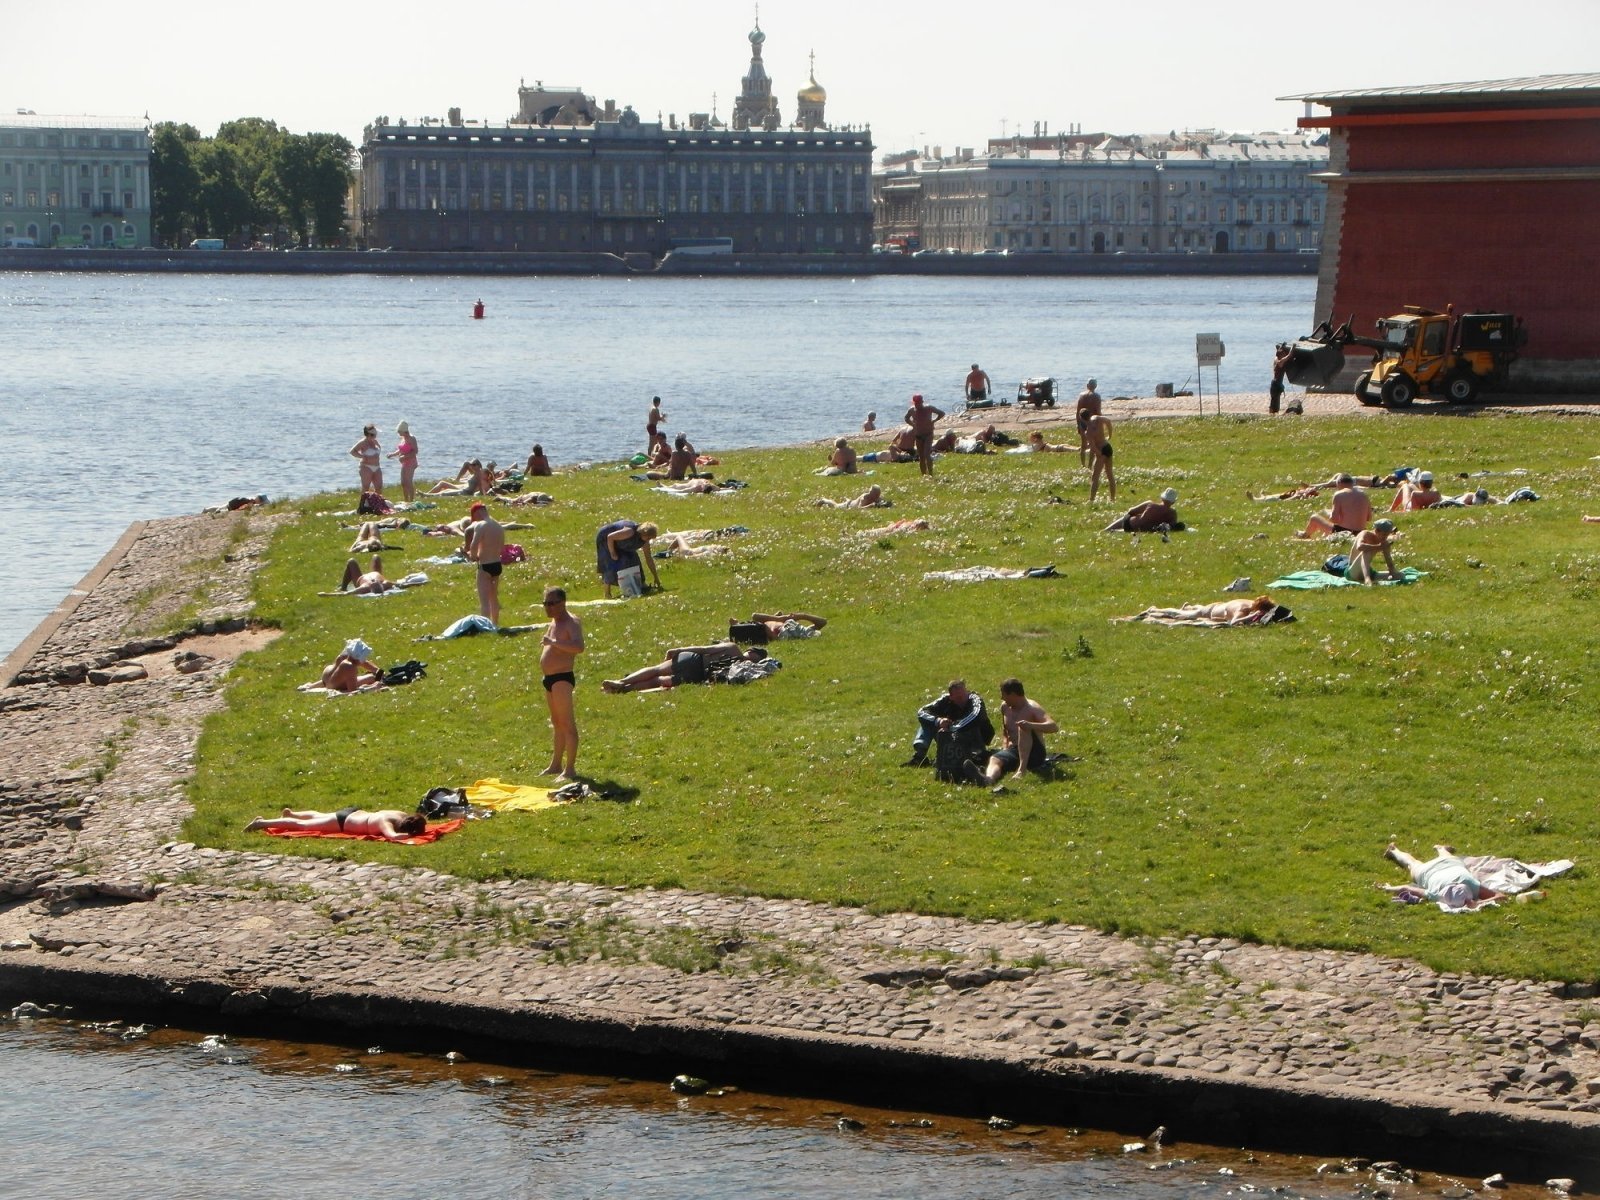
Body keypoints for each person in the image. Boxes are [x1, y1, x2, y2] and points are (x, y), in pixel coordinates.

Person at [970, 678, 1060, 787]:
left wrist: (1030, 725)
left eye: (1003, 694)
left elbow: (1053, 727)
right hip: (1015, 749)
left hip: (1035, 753)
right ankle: (987, 780)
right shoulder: (1005, 707)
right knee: (994, 759)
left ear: (1012, 694)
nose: (1001, 698)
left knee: (1023, 727)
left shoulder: (1032, 708)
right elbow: (1006, 730)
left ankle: (1021, 770)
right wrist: (1005, 746)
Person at [538, 586, 584, 780]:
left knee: (567, 723)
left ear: (562, 603)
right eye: (545, 604)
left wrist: (554, 643)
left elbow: (578, 647)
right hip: (549, 678)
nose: (548, 608)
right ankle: (555, 764)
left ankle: (570, 768)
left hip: (562, 678)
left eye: (551, 603)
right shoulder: (553, 622)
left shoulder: (571, 622)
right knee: (556, 723)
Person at [601, 642, 767, 693]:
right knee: (658, 679)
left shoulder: (734, 648)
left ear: (750, 651)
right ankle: (624, 688)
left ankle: (623, 683)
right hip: (697, 675)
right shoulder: (748, 670)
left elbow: (706, 650)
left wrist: (680, 650)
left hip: (695, 663)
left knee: (657, 671)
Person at [1381, 844, 1503, 909]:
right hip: (1433, 869)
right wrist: (1481, 903)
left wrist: (1389, 888)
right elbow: (1500, 896)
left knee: (1412, 863)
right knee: (1414, 864)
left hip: (1430, 870)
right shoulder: (1438, 895)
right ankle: (1440, 848)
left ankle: (1394, 850)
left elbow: (1408, 889)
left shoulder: (1439, 894)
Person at [905, 679, 990, 767]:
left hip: (974, 740)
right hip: (949, 737)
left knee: (973, 728)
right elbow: (922, 712)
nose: (963, 699)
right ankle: (919, 757)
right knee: (928, 722)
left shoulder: (975, 700)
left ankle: (952, 758)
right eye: (958, 698)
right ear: (951, 697)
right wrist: (938, 721)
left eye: (964, 695)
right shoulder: (945, 700)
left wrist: (950, 728)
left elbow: (974, 717)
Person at [246, 807, 427, 841]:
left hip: (353, 813)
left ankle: (292, 813)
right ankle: (262, 823)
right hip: (344, 822)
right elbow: (393, 836)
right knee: (304, 827)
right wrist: (410, 836)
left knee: (319, 816)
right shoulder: (385, 822)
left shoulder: (398, 814)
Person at [595, 519, 661, 598]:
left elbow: (648, 558)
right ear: (644, 533)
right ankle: (607, 593)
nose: (648, 540)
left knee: (634, 559)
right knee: (611, 563)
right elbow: (610, 537)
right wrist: (612, 553)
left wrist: (656, 577)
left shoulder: (644, 540)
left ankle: (641, 585)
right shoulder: (629, 532)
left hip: (621, 542)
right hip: (605, 538)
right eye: (648, 538)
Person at [464, 502, 506, 624]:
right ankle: (495, 624)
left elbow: (474, 545)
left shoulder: (481, 525)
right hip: (497, 564)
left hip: (485, 565)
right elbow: (501, 547)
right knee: (494, 598)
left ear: (477, 513)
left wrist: (473, 556)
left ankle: (486, 626)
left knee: (484, 600)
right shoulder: (498, 526)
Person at [1298, 474, 1373, 539]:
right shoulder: (1363, 494)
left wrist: (1328, 513)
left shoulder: (1339, 494)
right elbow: (1369, 518)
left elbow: (1334, 519)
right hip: (1360, 533)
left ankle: (1305, 534)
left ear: (1338, 483)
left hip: (1344, 532)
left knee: (1314, 518)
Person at [1130, 596, 1275, 624]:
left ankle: (1191, 606)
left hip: (1218, 606)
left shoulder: (1251, 603)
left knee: (1190, 611)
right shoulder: (1243, 609)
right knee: (1181, 615)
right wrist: (1251, 617)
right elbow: (1234, 622)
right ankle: (1155, 609)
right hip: (1209, 611)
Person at [311, 641, 382, 692]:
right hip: (332, 685)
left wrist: (378, 670)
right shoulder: (350, 667)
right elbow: (353, 690)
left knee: (371, 675)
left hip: (326, 678)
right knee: (371, 678)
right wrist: (373, 687)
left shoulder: (345, 657)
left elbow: (363, 662)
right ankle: (377, 676)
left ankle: (311, 686)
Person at [1346, 519, 1400, 584]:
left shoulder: (1383, 541)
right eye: (1384, 534)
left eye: (1387, 535)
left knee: (1401, 575)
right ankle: (1367, 579)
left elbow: (1388, 560)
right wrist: (1378, 547)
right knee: (1367, 550)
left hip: (1369, 571)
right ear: (1376, 531)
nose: (1385, 537)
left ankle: (1368, 578)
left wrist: (1392, 572)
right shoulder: (1365, 534)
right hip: (1352, 572)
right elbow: (1360, 547)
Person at [904, 394, 946, 477]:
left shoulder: (929, 408)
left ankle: (931, 474)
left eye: (918, 403)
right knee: (921, 457)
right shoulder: (912, 410)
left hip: (928, 434)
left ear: (922, 402)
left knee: (927, 454)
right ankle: (924, 475)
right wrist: (912, 424)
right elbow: (906, 418)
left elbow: (941, 413)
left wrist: (934, 420)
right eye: (915, 403)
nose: (917, 405)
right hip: (918, 435)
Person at [1104, 488, 1182, 533]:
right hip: (1145, 530)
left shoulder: (1150, 504)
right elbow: (1171, 526)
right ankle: (1118, 531)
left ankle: (1107, 530)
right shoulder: (1172, 514)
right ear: (1173, 502)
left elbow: (1131, 511)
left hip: (1131, 524)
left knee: (1126, 517)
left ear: (1162, 498)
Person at [1084, 411, 1116, 502]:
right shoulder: (1097, 418)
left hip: (1101, 450)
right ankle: (1112, 498)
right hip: (1107, 446)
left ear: (1082, 419)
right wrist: (1109, 434)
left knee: (1095, 477)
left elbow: (1093, 447)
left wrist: (1099, 455)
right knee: (1110, 474)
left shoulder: (1088, 432)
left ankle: (1091, 499)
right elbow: (1108, 422)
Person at [734, 611, 827, 640]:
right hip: (786, 630)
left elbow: (822, 622)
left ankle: (735, 627)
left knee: (806, 633)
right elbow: (822, 622)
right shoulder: (762, 629)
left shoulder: (767, 624)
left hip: (788, 629)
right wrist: (802, 616)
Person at [387, 420, 419, 502]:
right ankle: (406, 500)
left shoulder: (411, 438)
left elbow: (415, 451)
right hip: (404, 462)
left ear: (405, 431)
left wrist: (404, 457)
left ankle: (411, 500)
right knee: (403, 482)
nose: (399, 434)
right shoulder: (403, 438)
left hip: (411, 462)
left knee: (408, 481)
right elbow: (400, 450)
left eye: (399, 432)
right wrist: (392, 454)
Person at [327, 555, 391, 595]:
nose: (373, 580)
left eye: (373, 582)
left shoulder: (364, 587)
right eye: (375, 581)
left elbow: (347, 594)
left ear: (370, 588)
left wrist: (326, 594)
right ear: (381, 584)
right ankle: (343, 587)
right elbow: (399, 584)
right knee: (376, 557)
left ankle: (343, 587)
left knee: (351, 561)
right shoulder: (386, 583)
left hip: (359, 578)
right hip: (375, 572)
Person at [350, 424, 383, 495]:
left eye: (375, 434)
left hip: (377, 467)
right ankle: (364, 504)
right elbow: (352, 451)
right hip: (366, 467)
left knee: (379, 487)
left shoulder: (375, 442)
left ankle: (378, 504)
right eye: (372, 435)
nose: (374, 436)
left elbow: (378, 451)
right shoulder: (363, 442)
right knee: (366, 488)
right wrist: (362, 456)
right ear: (367, 434)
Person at [1075, 379, 1102, 463]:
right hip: (1092, 422)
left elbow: (1078, 411)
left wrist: (1078, 423)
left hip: (1082, 421)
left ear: (1087, 385)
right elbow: (1098, 411)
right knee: (1093, 444)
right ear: (1096, 386)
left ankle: (1083, 464)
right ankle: (1090, 465)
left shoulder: (1081, 395)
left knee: (1083, 445)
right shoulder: (1096, 396)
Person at [814, 484, 888, 509]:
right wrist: (870, 506)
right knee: (835, 506)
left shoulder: (877, 498)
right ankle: (824, 500)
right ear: (871, 493)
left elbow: (886, 503)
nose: (877, 497)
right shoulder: (864, 498)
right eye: (875, 495)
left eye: (878, 495)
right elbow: (858, 509)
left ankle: (847, 499)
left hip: (852, 502)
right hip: (848, 506)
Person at [1270, 343, 1293, 415]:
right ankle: (1273, 414)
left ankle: (1272, 414)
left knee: (1274, 399)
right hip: (1277, 383)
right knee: (1275, 400)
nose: (1284, 355)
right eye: (1283, 354)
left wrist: (1281, 347)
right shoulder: (1280, 362)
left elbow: (1277, 351)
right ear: (1281, 356)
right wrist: (1293, 347)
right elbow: (1289, 356)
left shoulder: (1276, 360)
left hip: (1274, 382)